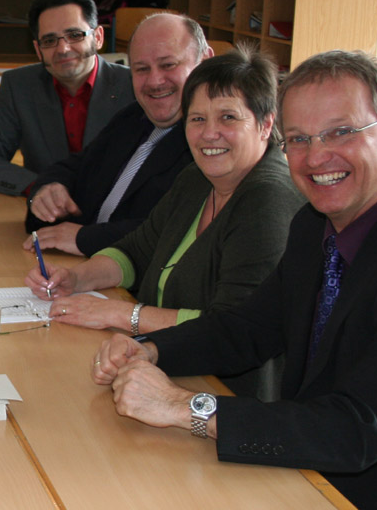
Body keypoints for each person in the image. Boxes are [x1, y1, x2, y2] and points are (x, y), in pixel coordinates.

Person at [88, 50, 377, 510]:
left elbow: (357, 429)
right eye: (300, 138)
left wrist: (187, 408)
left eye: (340, 132)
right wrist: (150, 348)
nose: (316, 156)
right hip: (312, 483)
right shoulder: (317, 225)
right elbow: (250, 329)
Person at [27, 44, 304, 404]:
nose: (209, 133)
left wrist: (123, 314)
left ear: (265, 124)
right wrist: (77, 279)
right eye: (197, 119)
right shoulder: (196, 179)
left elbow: (232, 327)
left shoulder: (268, 200)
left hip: (224, 396)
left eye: (228, 118)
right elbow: (137, 250)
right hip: (164, 367)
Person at [20, 13, 210, 256]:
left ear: (205, 62)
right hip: (78, 267)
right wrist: (48, 190)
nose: (154, 81)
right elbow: (78, 166)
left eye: (168, 65)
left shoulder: (211, 141)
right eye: (141, 69)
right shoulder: (132, 117)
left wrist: (85, 238)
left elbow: (179, 229)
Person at [0, 0, 134, 196]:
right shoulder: (19, 86)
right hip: (48, 210)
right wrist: (41, 186)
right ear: (38, 49)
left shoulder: (133, 86)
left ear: (97, 37)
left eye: (75, 35)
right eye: (50, 41)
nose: (63, 49)